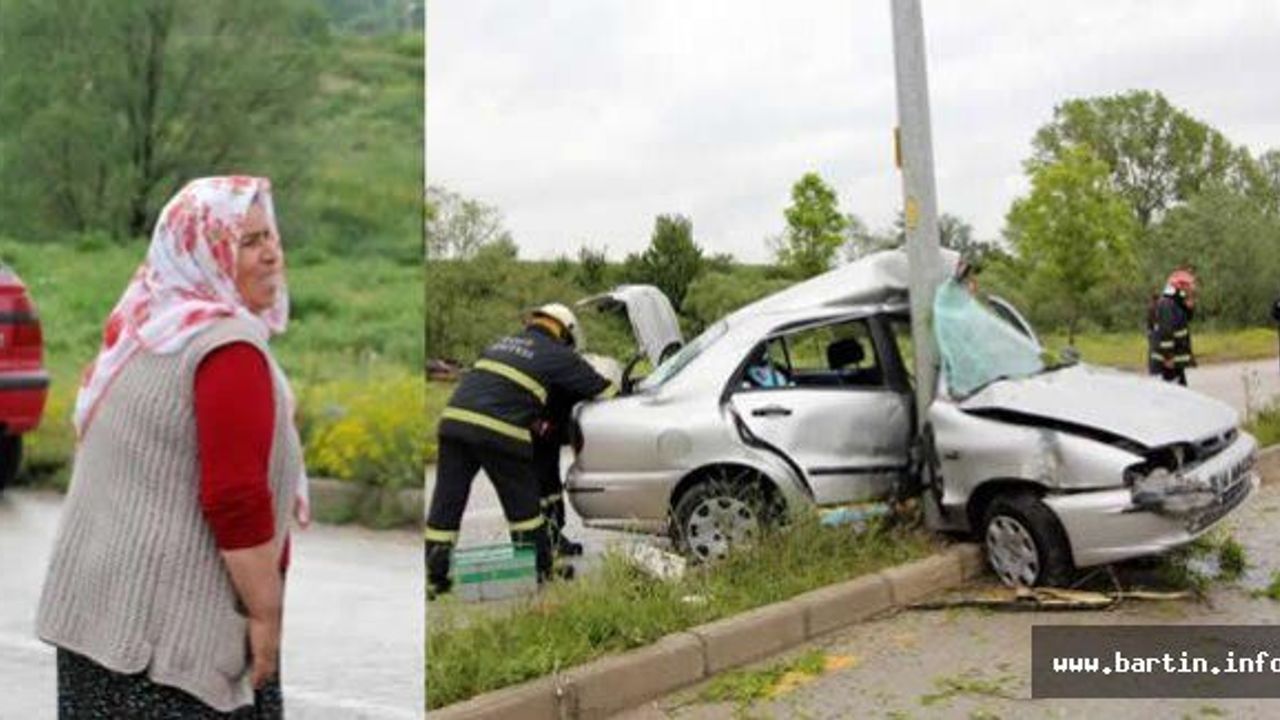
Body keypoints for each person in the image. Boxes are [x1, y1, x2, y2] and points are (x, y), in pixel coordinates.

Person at [36, 177, 308, 718]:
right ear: (205, 251)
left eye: (270, 235)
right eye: (249, 241)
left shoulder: (148, 329)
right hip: (163, 656)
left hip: (98, 629)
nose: (272, 253)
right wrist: (265, 614)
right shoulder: (226, 348)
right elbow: (235, 498)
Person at [426, 303, 615, 599]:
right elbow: (602, 390)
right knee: (524, 508)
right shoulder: (558, 354)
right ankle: (541, 571)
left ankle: (434, 578)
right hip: (499, 431)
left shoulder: (500, 343)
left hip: (453, 424)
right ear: (566, 333)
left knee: (446, 505)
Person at [1148, 268, 1197, 385]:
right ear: (1179, 287)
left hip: (1175, 364)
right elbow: (1166, 332)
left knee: (1181, 396)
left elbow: (1183, 321)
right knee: (1173, 398)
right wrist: (1168, 356)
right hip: (1166, 364)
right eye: (1188, 287)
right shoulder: (1166, 304)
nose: (1191, 290)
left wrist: (1189, 307)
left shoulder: (1175, 304)